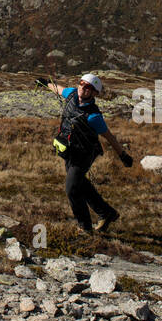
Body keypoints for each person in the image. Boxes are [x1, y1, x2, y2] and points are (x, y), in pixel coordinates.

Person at [46, 72, 134, 235]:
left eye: (88, 87)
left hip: (84, 154)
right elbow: (59, 90)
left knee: (72, 188)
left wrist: (123, 155)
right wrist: (45, 83)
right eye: (81, 83)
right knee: (80, 183)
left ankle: (85, 227)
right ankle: (106, 213)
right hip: (70, 150)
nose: (83, 88)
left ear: (95, 93)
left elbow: (109, 137)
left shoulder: (94, 117)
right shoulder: (72, 93)